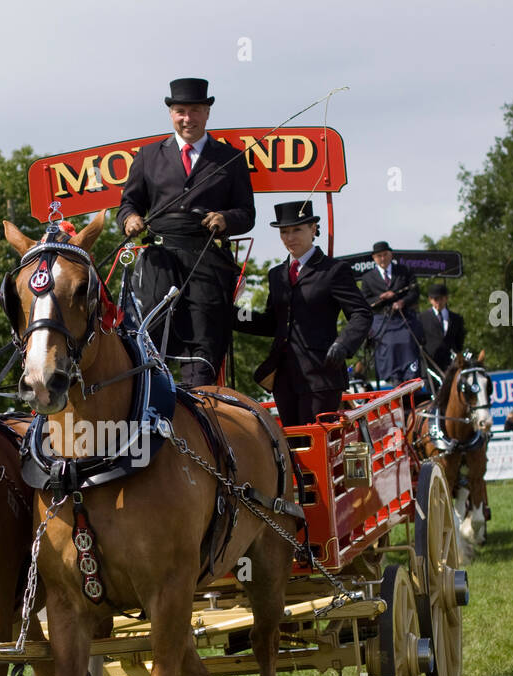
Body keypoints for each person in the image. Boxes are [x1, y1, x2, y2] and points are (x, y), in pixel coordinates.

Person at [117, 77, 255, 388]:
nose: (187, 118)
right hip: (160, 258)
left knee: (205, 332)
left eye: (194, 111)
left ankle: (200, 405)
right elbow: (128, 204)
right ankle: (152, 397)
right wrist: (130, 219)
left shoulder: (230, 158)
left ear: (207, 113)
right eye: (180, 111)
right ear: (171, 114)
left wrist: (226, 219)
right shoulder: (148, 156)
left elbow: (247, 214)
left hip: (205, 258)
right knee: (151, 327)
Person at [236, 200, 372, 426]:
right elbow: (272, 323)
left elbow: (362, 313)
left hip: (322, 375)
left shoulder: (334, 270)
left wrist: (343, 345)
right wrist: (234, 314)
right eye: (284, 232)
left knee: (314, 447)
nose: (290, 238)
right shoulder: (276, 274)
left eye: (297, 230)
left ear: (313, 229)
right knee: (290, 448)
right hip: (284, 377)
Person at [360, 240, 424, 386]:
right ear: (374, 258)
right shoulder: (368, 278)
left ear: (390, 255)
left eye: (385, 255)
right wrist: (380, 298)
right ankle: (393, 376)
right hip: (382, 319)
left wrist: (401, 302)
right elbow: (365, 301)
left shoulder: (404, 271)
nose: (382, 259)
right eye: (379, 256)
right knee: (388, 343)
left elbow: (414, 292)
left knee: (408, 339)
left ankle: (411, 375)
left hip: (403, 317)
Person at [419, 279, 465, 372]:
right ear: (430, 300)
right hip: (430, 364)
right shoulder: (422, 318)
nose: (438, 302)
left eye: (441, 298)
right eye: (435, 299)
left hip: (451, 364)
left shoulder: (456, 319)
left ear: (446, 298)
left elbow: (459, 340)